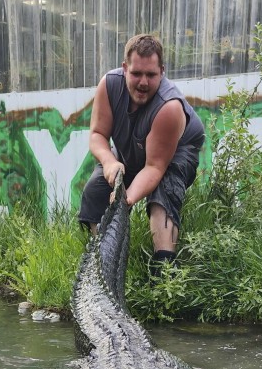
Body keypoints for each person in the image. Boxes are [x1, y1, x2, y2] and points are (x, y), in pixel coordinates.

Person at [78, 34, 205, 272]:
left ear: (162, 72)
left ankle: (164, 268)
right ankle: (100, 260)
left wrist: (126, 200)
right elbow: (97, 135)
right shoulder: (109, 85)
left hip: (174, 151)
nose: (143, 82)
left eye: (151, 75)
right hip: (130, 147)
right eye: (136, 74)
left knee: (163, 192)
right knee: (95, 191)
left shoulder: (170, 107)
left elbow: (155, 167)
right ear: (125, 68)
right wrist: (108, 163)